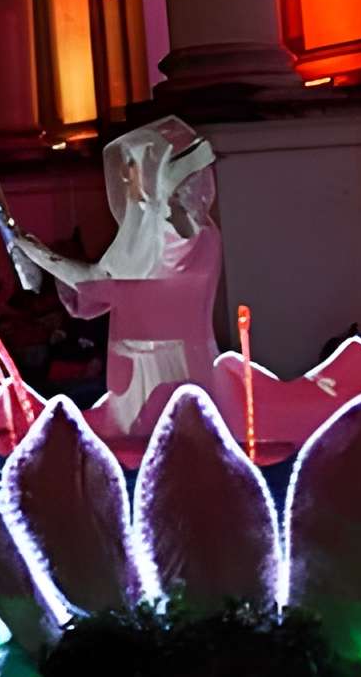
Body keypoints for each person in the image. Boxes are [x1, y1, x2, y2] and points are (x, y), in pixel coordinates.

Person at [12, 118, 220, 439]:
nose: (126, 175)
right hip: (148, 360)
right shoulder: (166, 228)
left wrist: (39, 255)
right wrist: (39, 253)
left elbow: (101, 285)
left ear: (158, 171)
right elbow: (104, 281)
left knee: (164, 444)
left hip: (163, 367)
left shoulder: (172, 232)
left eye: (134, 165)